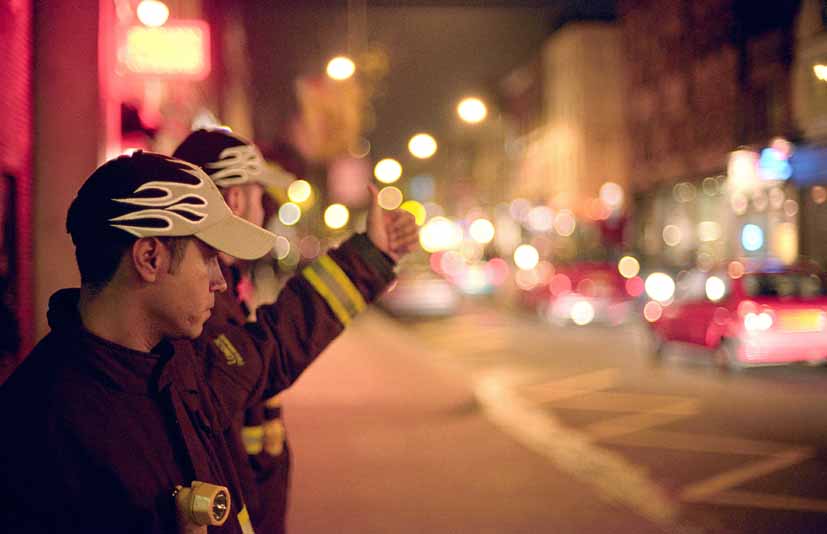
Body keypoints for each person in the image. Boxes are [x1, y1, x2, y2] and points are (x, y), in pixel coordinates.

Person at [0, 150, 418, 533]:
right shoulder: (37, 429)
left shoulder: (182, 368)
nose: (221, 281)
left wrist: (370, 256)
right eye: (209, 258)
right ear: (150, 258)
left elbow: (275, 340)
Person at [171, 129, 297, 533]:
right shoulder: (203, 312)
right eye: (261, 195)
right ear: (238, 199)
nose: (266, 207)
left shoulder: (219, 293)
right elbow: (270, 351)